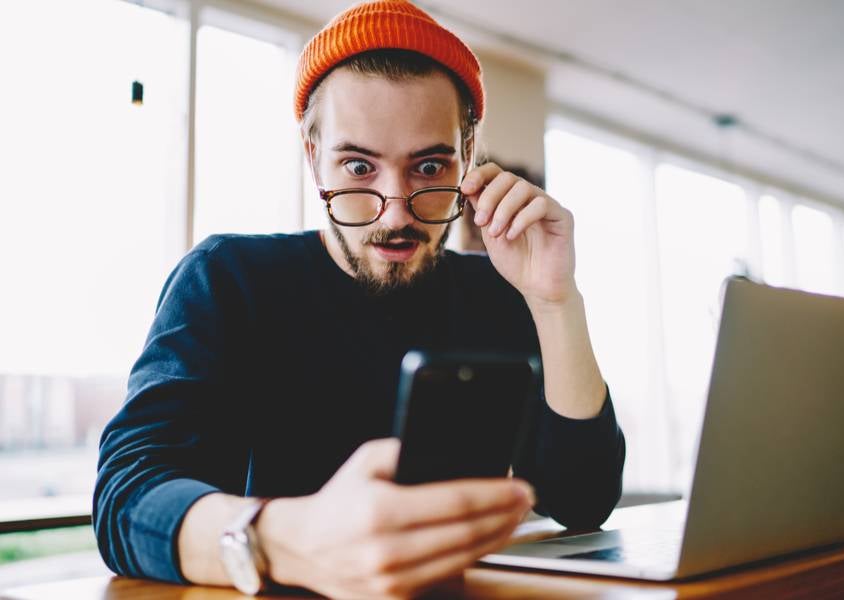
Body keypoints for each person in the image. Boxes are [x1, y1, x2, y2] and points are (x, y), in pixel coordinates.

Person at [93, 1, 625, 597]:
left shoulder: (502, 291)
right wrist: (287, 539)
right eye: (357, 165)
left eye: (428, 166)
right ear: (311, 154)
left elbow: (584, 501)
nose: (396, 211)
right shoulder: (228, 279)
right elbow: (127, 498)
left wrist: (555, 302)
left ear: (468, 155)